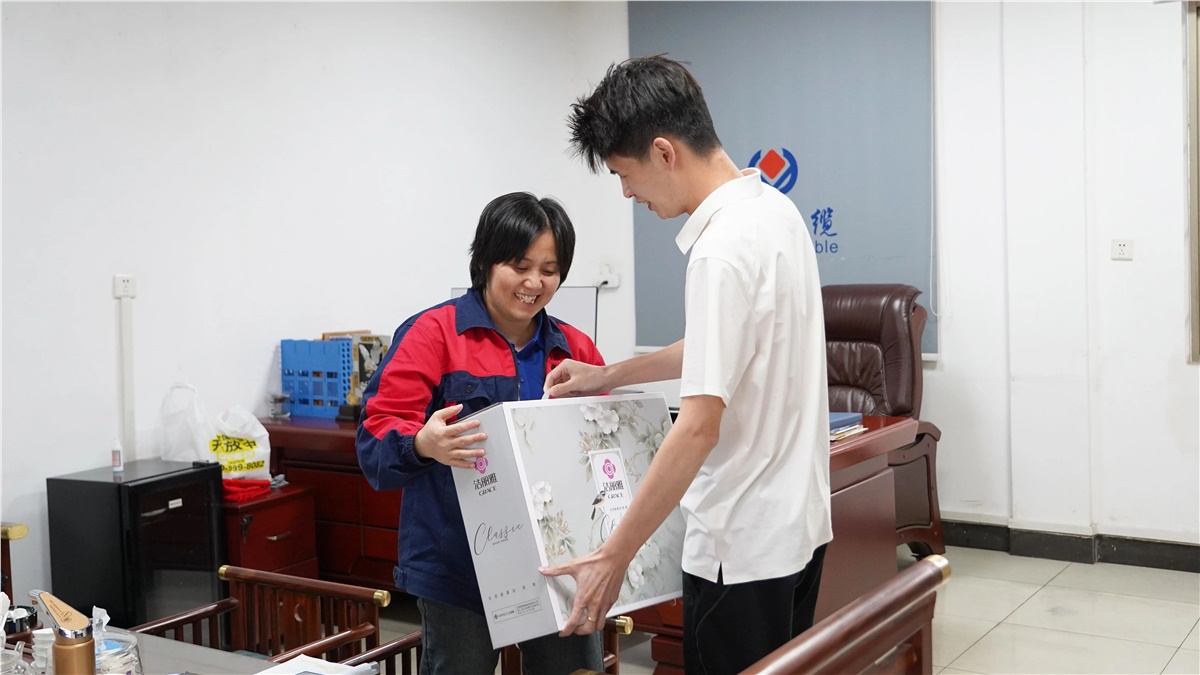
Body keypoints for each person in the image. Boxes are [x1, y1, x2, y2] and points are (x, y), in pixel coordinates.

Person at [541, 55, 832, 674]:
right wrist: (607, 376)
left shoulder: (719, 249)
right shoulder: (776, 211)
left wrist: (613, 555)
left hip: (737, 551)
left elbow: (698, 426)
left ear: (664, 153)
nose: (627, 193)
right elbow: (722, 344)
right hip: (799, 532)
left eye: (625, 174)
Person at [357, 191, 605, 675]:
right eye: (519, 265)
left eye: (549, 270)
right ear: (486, 261)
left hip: (560, 565)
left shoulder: (574, 348)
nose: (534, 283)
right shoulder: (433, 334)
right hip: (457, 569)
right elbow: (375, 438)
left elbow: (604, 443)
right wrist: (422, 445)